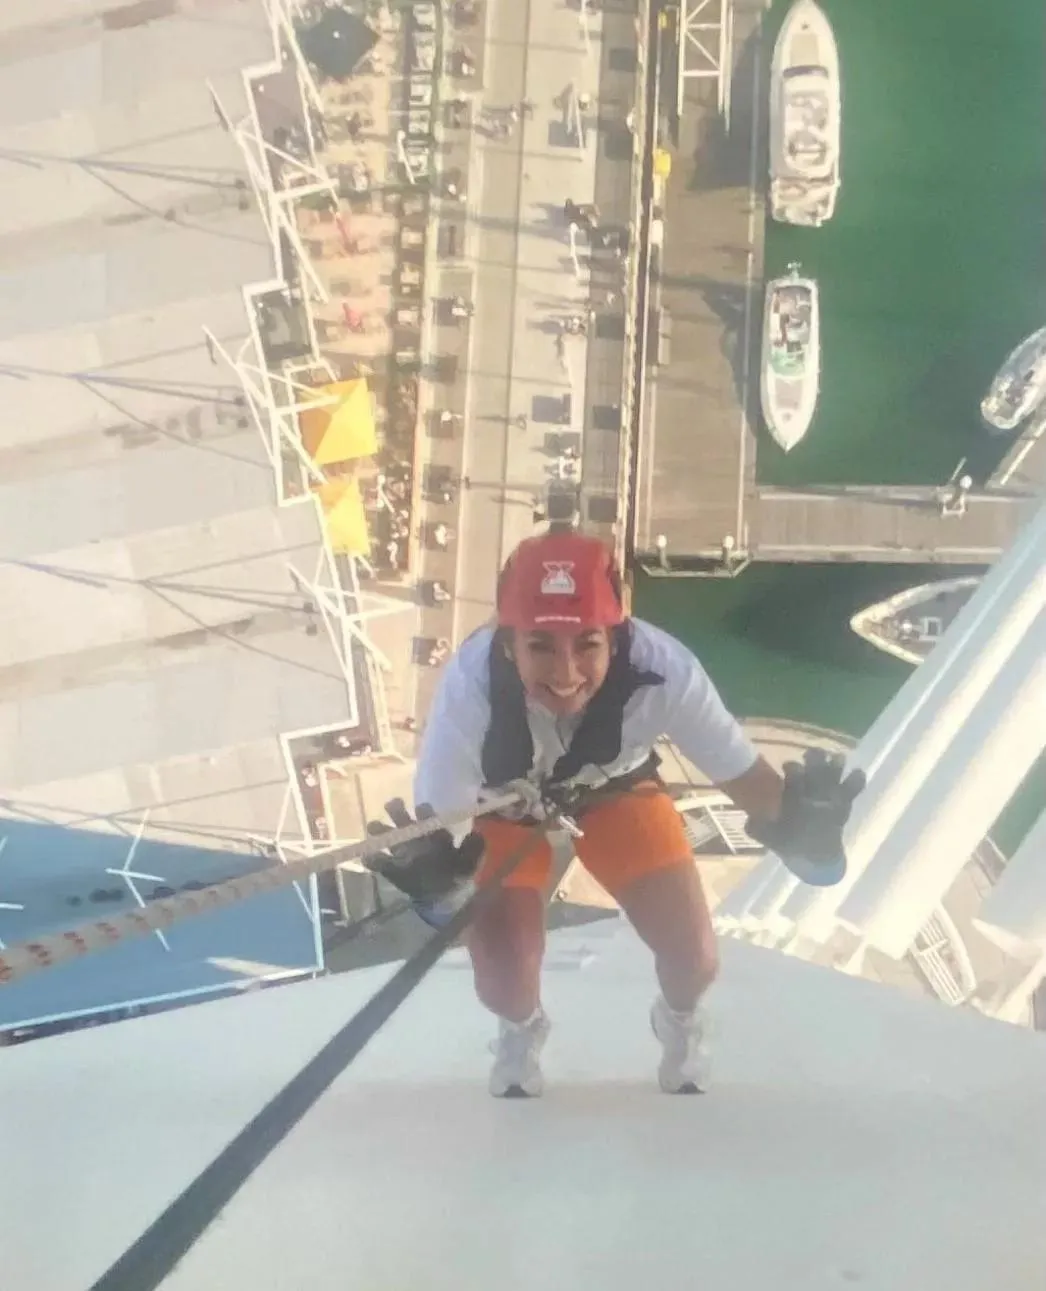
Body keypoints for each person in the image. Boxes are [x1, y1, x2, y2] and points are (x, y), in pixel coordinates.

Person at [369, 530, 862, 1099]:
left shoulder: (666, 673)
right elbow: (445, 834)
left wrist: (814, 836)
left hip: (614, 792)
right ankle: (520, 1027)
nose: (566, 672)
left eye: (587, 645)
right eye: (541, 647)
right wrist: (440, 890)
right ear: (508, 645)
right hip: (502, 812)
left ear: (618, 637)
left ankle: (678, 1023)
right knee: (506, 982)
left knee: (695, 957)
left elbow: (760, 797)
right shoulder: (471, 685)